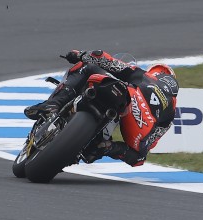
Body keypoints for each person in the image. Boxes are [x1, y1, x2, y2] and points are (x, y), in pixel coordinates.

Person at [24, 50, 179, 167]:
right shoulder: (170, 113)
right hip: (138, 124)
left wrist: (81, 55)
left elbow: (106, 59)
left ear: (156, 72)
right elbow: (143, 153)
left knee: (87, 66)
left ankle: (53, 104)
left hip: (128, 101)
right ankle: (103, 147)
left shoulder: (144, 76)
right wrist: (114, 149)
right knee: (136, 155)